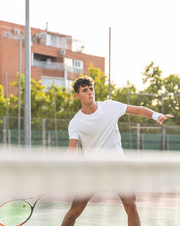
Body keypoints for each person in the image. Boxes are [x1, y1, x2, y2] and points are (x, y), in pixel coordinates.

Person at [61, 76, 173, 226]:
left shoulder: (109, 106)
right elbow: (72, 149)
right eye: (85, 90)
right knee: (74, 211)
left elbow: (136, 110)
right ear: (77, 95)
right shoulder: (75, 122)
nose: (90, 93)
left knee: (131, 205)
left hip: (118, 166)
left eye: (91, 89)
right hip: (94, 171)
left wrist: (156, 115)